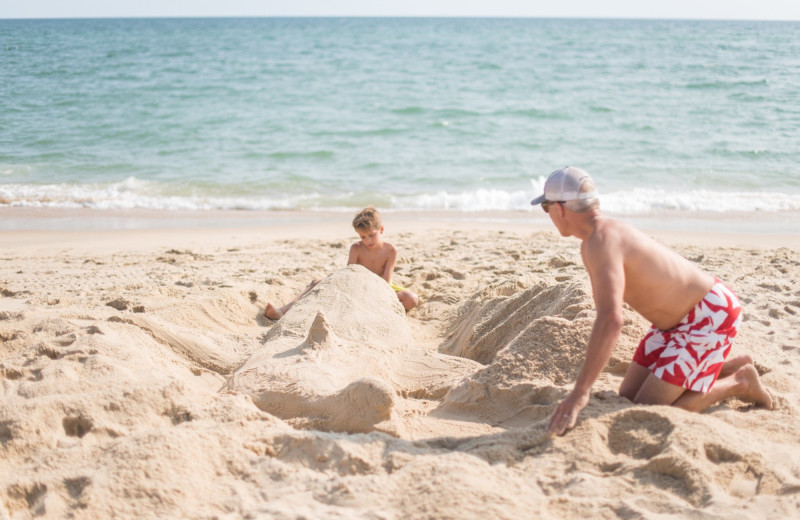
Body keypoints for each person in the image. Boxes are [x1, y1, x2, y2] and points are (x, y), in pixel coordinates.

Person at [529, 166, 773, 437]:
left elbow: (611, 320)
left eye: (546, 207)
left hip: (710, 314)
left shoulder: (602, 240)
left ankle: (740, 383)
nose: (548, 215)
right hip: (674, 323)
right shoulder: (594, 240)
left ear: (560, 209)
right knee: (629, 395)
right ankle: (727, 366)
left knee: (650, 408)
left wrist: (579, 394)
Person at [264, 206, 418, 320]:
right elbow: (348, 274)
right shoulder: (356, 248)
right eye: (363, 237)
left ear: (381, 229)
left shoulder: (391, 250)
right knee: (316, 283)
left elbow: (386, 281)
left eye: (371, 235)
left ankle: (383, 313)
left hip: (381, 287)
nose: (368, 241)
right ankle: (282, 311)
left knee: (411, 299)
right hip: (357, 285)